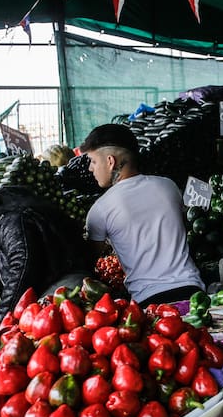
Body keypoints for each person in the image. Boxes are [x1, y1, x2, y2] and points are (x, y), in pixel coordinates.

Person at [80, 123, 205, 307]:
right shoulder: (168, 186)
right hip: (193, 292)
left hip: (150, 303)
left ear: (110, 161)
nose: (91, 168)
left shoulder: (100, 209)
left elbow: (89, 261)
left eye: (93, 161)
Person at [0, 185, 92, 318]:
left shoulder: (12, 220)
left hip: (60, 295)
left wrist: (4, 315)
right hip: (77, 286)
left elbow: (21, 266)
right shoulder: (40, 215)